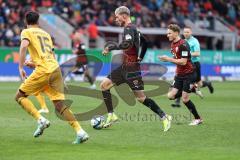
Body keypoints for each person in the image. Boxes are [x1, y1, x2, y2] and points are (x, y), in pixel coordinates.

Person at [15, 11, 88, 144]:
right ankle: (80, 132)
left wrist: (20, 67)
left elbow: (24, 46)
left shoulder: (26, 32)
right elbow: (50, 55)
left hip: (44, 70)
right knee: (60, 105)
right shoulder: (46, 34)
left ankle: (41, 120)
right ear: (39, 21)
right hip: (54, 69)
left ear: (26, 21)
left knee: (19, 96)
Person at [101, 6, 172, 131]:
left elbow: (127, 44)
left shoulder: (129, 28)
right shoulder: (135, 29)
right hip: (125, 67)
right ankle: (111, 115)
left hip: (132, 69)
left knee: (141, 98)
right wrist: (140, 57)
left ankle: (165, 117)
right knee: (104, 85)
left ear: (124, 16)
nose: (116, 20)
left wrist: (110, 48)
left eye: (117, 17)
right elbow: (146, 42)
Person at [159, 24, 203, 126]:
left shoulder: (183, 44)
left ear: (176, 33)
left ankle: (198, 118)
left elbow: (183, 62)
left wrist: (168, 59)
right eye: (167, 33)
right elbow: (177, 60)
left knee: (184, 99)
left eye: (169, 33)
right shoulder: (173, 44)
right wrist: (168, 60)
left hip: (189, 73)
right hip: (179, 74)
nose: (167, 35)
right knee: (170, 96)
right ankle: (192, 89)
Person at [171, 26, 214, 107]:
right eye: (185, 32)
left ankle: (208, 83)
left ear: (191, 33)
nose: (186, 33)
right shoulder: (182, 41)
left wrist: (187, 55)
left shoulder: (194, 41)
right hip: (185, 65)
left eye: (188, 32)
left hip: (194, 64)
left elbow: (198, 53)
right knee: (182, 82)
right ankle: (177, 102)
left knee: (199, 84)